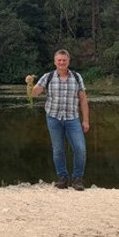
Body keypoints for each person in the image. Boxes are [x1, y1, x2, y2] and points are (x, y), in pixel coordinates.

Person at [27, 49, 90, 190]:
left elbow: (83, 100)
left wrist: (85, 120)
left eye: (64, 60)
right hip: (53, 118)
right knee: (58, 150)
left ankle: (78, 179)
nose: (62, 62)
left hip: (72, 118)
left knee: (80, 149)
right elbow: (34, 94)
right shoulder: (48, 77)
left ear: (68, 61)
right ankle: (62, 178)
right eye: (59, 60)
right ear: (55, 62)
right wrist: (30, 83)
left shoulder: (77, 77)